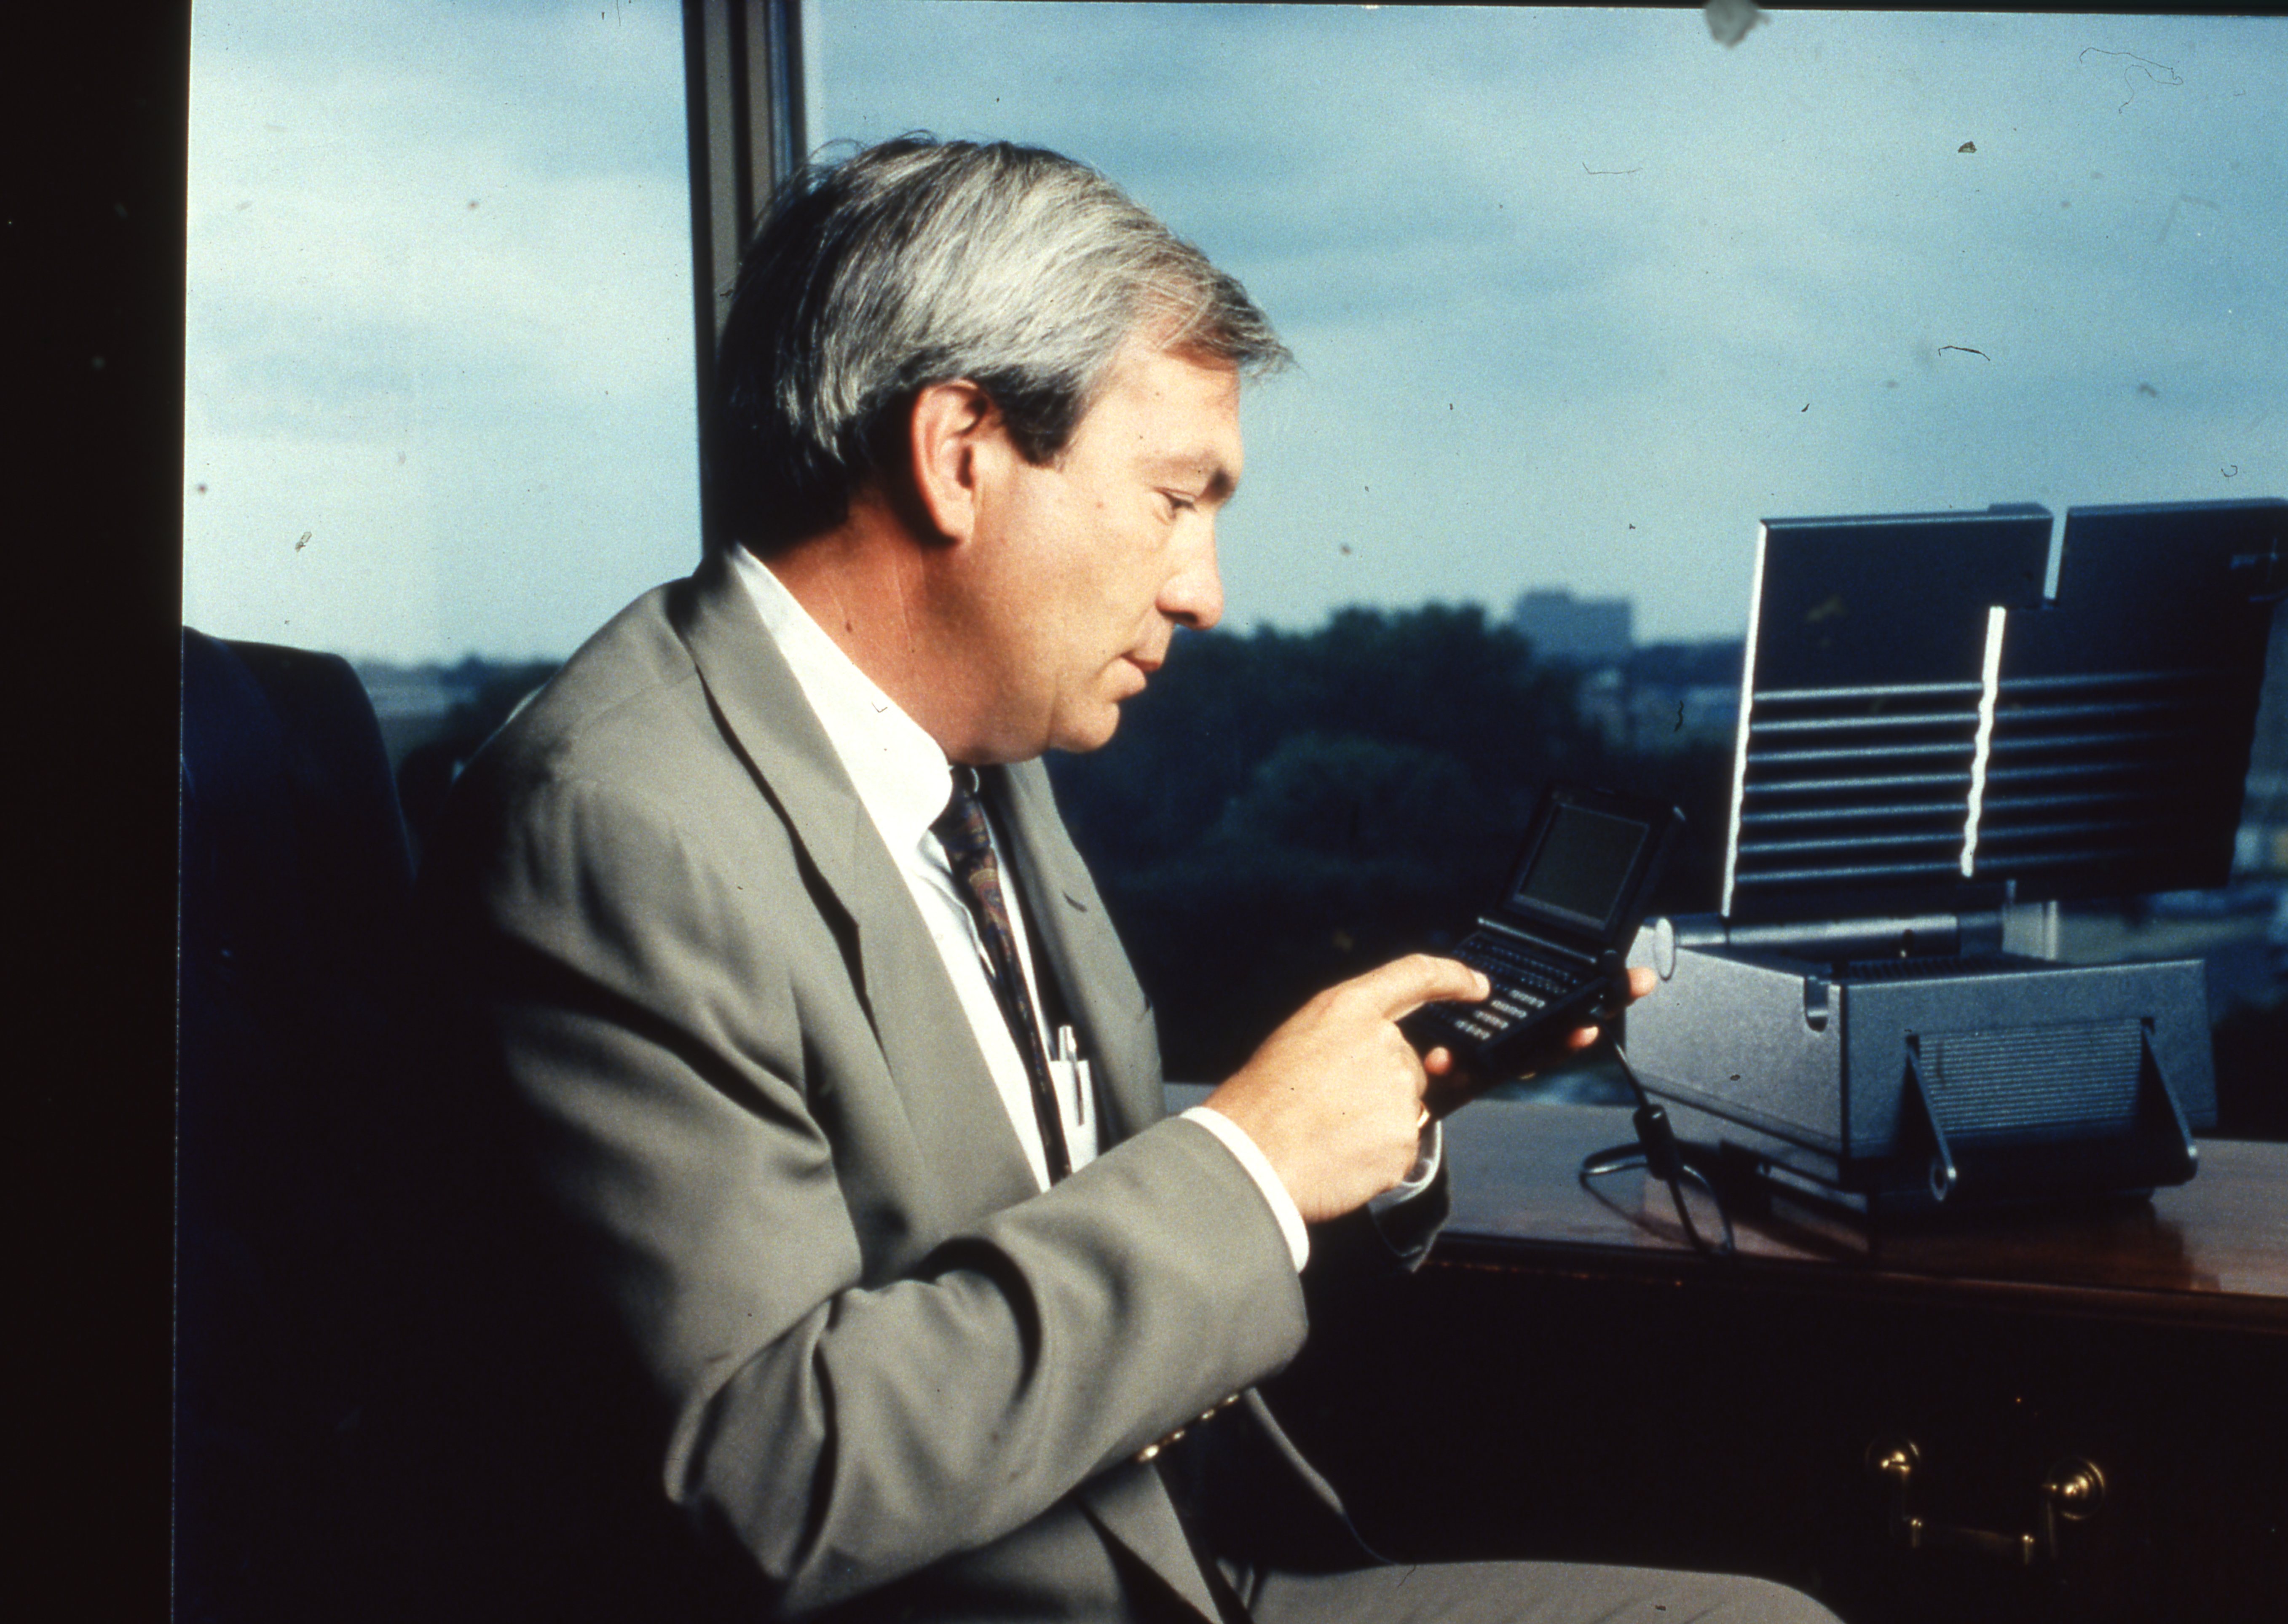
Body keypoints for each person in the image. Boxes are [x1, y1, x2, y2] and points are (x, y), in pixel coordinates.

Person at [411, 134, 1838, 1624]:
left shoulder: (981, 748)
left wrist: (1368, 1129)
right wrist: (1254, 1162)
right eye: (1175, 498)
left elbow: (1071, 1220)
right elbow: (769, 1473)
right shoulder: (613, 827)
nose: (1204, 591)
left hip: (1181, 1561)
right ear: (960, 455)